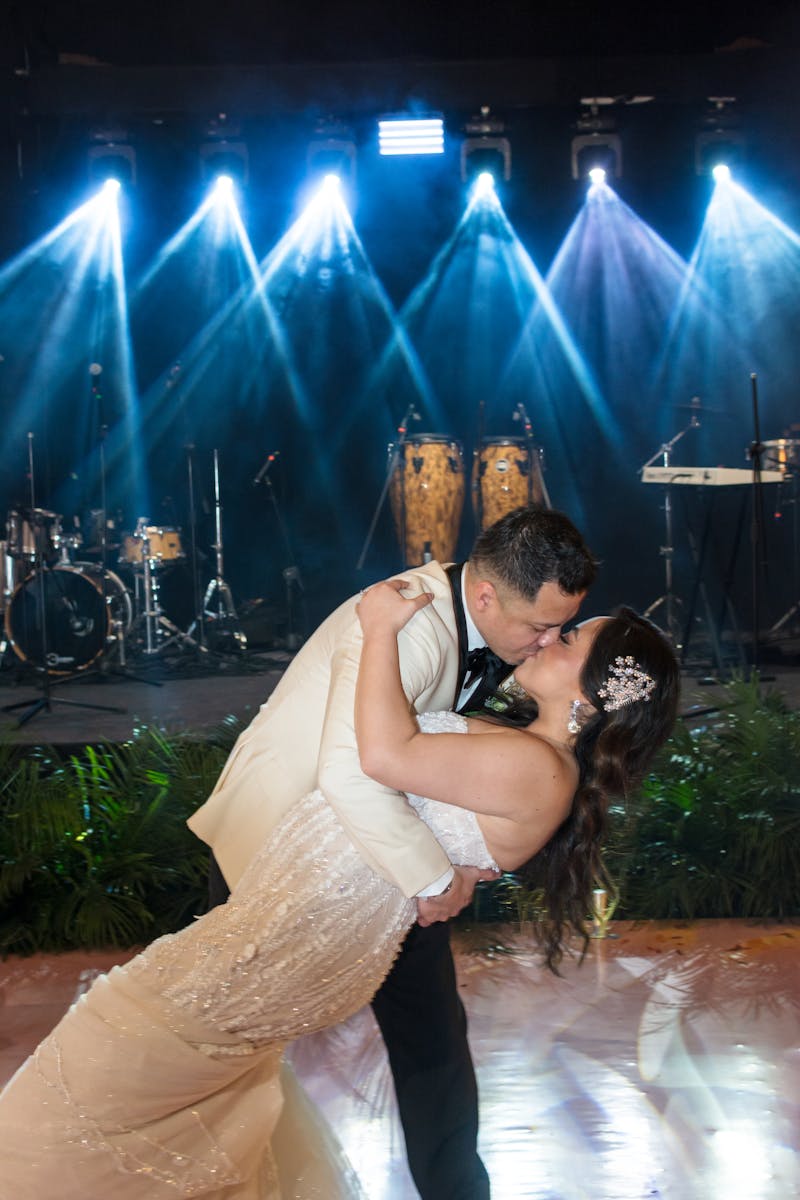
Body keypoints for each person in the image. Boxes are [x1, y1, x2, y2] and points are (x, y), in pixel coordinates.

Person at [0, 573, 679, 1200]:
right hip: (295, 917)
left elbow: (381, 755)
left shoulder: (538, 768)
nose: (549, 638)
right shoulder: (534, 756)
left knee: (102, 1066)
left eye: (569, 638)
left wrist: (377, 629)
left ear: (592, 694)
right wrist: (452, 869)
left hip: (302, 934)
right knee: (165, 1078)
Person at [187, 505, 597, 1199]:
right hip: (286, 854)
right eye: (539, 627)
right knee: (221, 1044)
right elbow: (355, 771)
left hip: (377, 863)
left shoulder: (496, 628)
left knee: (432, 1035)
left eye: (563, 628)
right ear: (487, 596)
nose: (548, 642)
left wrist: (459, 858)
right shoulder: (409, 623)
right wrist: (437, 880)